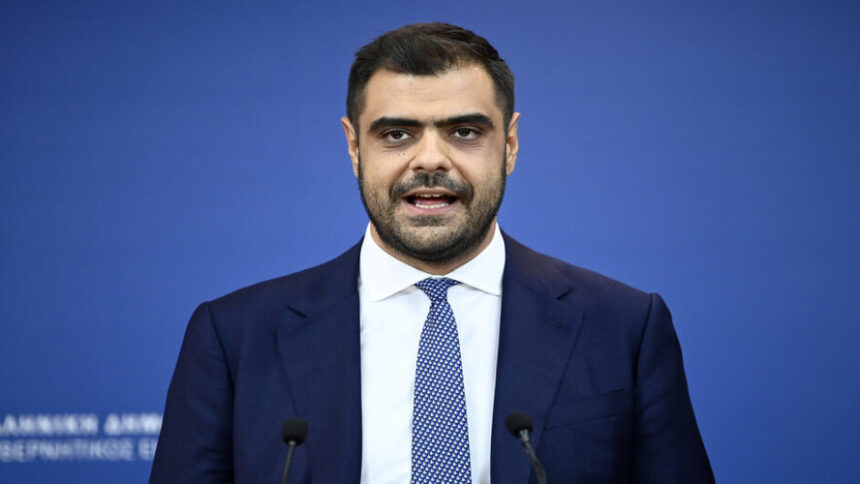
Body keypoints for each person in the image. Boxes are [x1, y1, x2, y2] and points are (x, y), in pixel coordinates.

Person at [150, 22, 714, 483]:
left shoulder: (623, 326)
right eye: (396, 134)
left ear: (509, 145)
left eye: (464, 132)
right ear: (353, 147)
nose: (430, 160)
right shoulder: (236, 336)